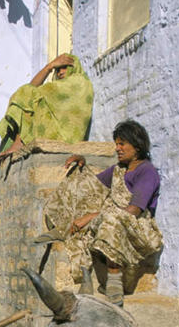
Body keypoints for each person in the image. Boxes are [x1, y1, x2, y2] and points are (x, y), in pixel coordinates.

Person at [35, 119, 162, 306]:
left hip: (138, 228)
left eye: (122, 144)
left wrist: (92, 216)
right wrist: (81, 163)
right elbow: (92, 186)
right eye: (116, 144)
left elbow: (133, 211)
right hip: (113, 217)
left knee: (111, 219)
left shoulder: (147, 172)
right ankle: (62, 226)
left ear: (137, 146)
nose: (117, 148)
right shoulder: (119, 170)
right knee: (77, 181)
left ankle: (114, 283)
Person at [0, 53, 93, 161]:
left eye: (64, 67)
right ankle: (17, 142)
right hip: (57, 131)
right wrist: (49, 67)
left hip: (65, 137)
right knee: (23, 96)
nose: (60, 72)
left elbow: (29, 91)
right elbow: (29, 90)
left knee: (25, 94)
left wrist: (49, 67)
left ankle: (19, 142)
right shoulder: (58, 89)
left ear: (74, 67)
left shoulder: (79, 81)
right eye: (57, 70)